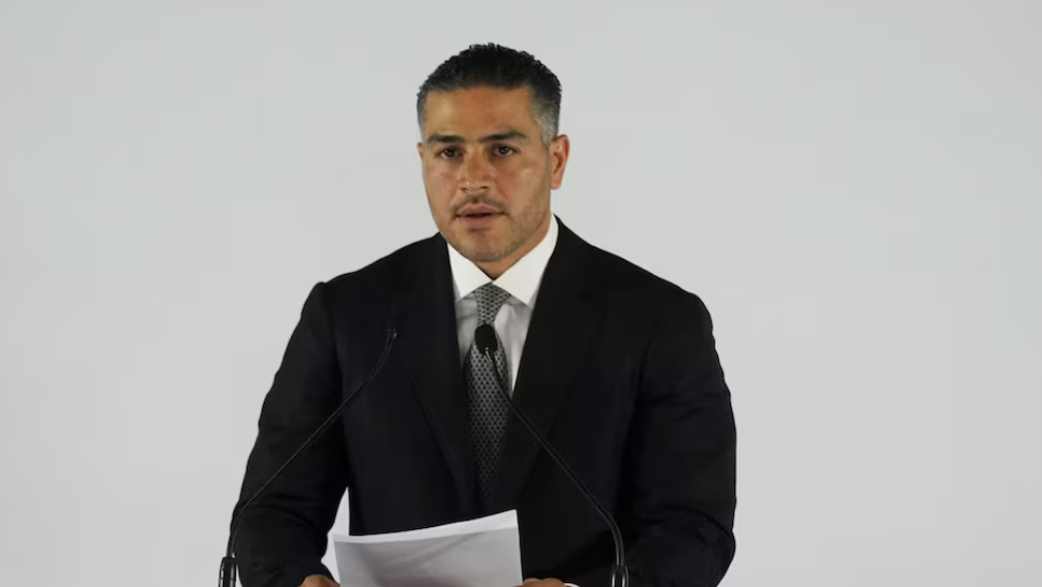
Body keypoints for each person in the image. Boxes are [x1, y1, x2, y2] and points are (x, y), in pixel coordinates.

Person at [231, 43, 737, 587]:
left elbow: (694, 528)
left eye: (502, 150)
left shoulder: (658, 320)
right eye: (449, 153)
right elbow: (270, 512)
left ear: (556, 160)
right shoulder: (348, 315)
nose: (473, 179)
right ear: (423, 160)